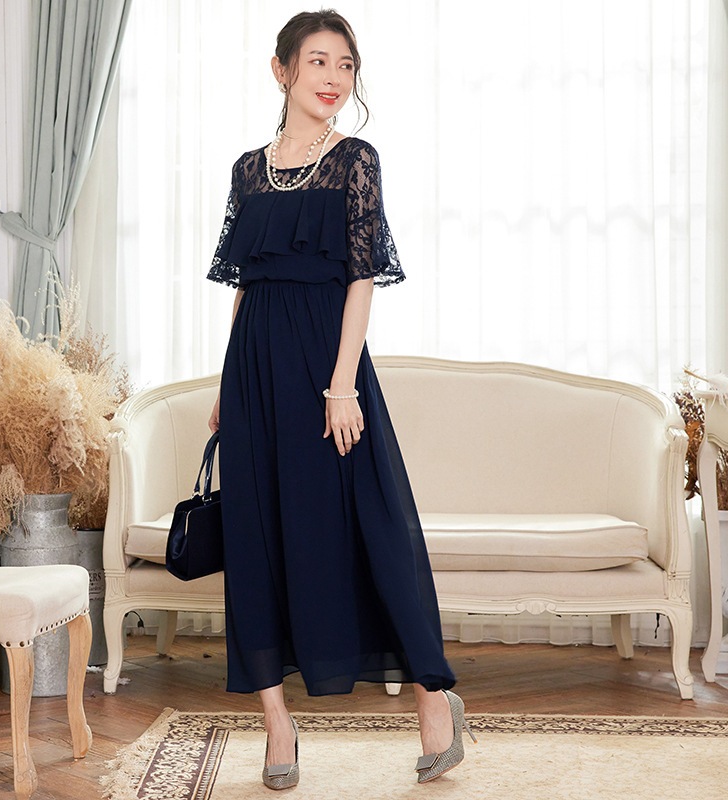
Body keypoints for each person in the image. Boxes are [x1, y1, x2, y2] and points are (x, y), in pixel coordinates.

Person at [207, 9, 474, 789]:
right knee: (256, 540)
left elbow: (362, 276)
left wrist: (343, 382)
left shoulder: (355, 160)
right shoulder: (247, 171)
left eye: (346, 65)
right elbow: (246, 284)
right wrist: (225, 382)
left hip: (329, 366)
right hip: (254, 371)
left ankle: (433, 700)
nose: (333, 78)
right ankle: (276, 726)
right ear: (281, 69)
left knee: (374, 530)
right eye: (319, 61)